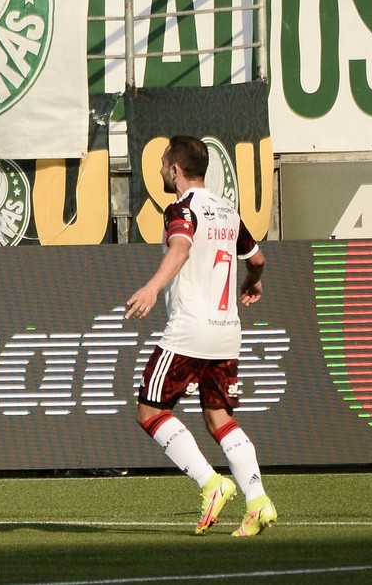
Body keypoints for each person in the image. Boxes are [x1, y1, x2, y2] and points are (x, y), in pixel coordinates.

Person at [124, 134, 277, 538]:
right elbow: (257, 258)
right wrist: (253, 281)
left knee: (150, 412)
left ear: (175, 169)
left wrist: (153, 287)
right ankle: (259, 501)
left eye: (162, 163)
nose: (159, 169)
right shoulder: (228, 211)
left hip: (189, 331)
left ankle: (212, 484)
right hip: (227, 334)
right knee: (219, 418)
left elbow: (180, 248)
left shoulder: (181, 208)